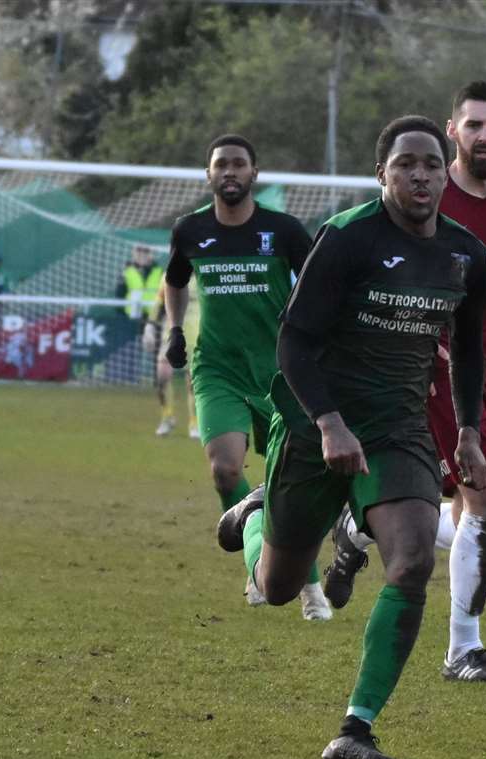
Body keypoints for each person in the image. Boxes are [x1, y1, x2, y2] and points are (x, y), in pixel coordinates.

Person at [216, 116, 486, 759]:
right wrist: (330, 423)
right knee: (277, 587)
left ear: (443, 171)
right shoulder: (346, 238)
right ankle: (258, 513)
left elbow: (469, 349)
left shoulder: (465, 255)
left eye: (430, 163)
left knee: (414, 560)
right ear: (382, 174)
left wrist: (471, 433)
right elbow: (295, 343)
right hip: (317, 426)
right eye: (405, 164)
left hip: (399, 428)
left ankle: (355, 730)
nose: (420, 175)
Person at [321, 81, 486, 686]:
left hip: (481, 368)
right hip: (416, 366)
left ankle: (358, 528)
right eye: (473, 125)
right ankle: (464, 649)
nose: (484, 135)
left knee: (466, 505)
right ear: (453, 129)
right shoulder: (426, 196)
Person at [159, 134, 329, 620]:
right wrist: (175, 329)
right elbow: (175, 280)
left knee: (288, 483)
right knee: (225, 469)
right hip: (217, 368)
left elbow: (320, 285)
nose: (230, 172)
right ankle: (269, 568)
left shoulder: (284, 231)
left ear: (254, 174)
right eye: (221, 165)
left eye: (239, 164)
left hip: (280, 372)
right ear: (208, 176)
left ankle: (302, 575)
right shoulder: (189, 231)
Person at [118, 245, 179, 437]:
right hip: (140, 320)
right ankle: (166, 417)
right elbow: (121, 292)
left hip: (185, 328)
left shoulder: (159, 270)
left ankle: (195, 424)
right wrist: (151, 325)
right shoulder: (130, 271)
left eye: (145, 252)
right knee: (161, 373)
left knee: (192, 380)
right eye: (139, 252)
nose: (142, 255)